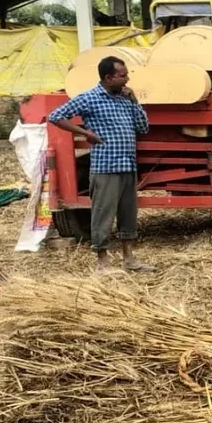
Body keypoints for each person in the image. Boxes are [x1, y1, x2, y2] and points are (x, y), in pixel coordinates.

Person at [47, 57, 155, 274]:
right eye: (122, 75)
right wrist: (85, 133)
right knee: (102, 215)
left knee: (128, 215)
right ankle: (102, 263)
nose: (127, 79)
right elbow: (55, 116)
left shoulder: (125, 100)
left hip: (127, 166)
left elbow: (143, 127)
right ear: (108, 77)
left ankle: (129, 259)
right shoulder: (90, 98)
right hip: (105, 167)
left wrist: (135, 101)